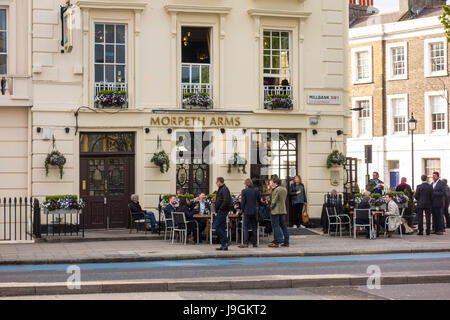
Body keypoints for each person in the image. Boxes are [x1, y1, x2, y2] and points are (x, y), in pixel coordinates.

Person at [239, 178, 261, 248]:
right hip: (254, 211)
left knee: (245, 227)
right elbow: (259, 200)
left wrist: (241, 210)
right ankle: (254, 243)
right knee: (254, 227)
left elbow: (243, 202)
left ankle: (246, 243)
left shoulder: (244, 191)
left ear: (246, 184)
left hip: (247, 211)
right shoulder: (256, 190)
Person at [268, 177, 289, 248]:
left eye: (270, 182)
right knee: (284, 226)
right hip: (283, 210)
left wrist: (270, 207)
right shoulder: (284, 189)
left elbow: (274, 201)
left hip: (275, 211)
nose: (269, 184)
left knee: (275, 226)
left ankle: (277, 242)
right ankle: (286, 242)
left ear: (275, 183)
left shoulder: (277, 190)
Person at [214, 177, 233, 251]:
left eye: (216, 182)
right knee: (221, 227)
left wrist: (220, 209)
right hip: (220, 211)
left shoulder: (224, 189)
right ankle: (224, 245)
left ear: (219, 182)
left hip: (222, 211)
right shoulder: (221, 189)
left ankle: (227, 241)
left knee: (217, 227)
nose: (216, 183)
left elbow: (226, 200)